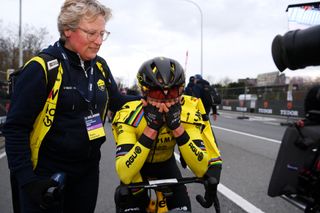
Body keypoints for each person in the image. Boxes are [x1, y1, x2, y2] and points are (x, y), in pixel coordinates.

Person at [3, 0, 134, 212]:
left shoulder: (99, 65)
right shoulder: (42, 68)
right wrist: (28, 181)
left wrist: (151, 99)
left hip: (87, 171)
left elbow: (116, 101)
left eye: (102, 33)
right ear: (68, 30)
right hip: (46, 173)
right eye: (91, 33)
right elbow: (15, 128)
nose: (99, 41)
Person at [112, 57, 222, 212]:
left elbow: (201, 168)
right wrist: (151, 128)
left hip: (166, 165)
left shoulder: (188, 113)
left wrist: (177, 127)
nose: (165, 100)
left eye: (172, 92)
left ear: (181, 92)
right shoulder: (128, 114)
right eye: (157, 93)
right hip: (137, 170)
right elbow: (125, 174)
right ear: (144, 92)